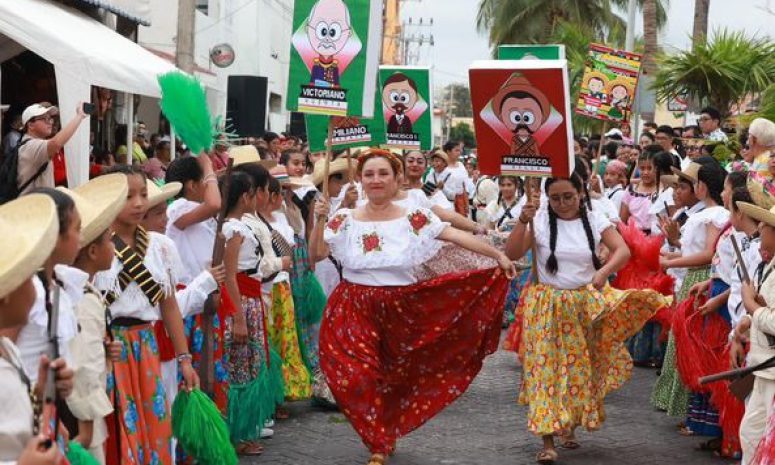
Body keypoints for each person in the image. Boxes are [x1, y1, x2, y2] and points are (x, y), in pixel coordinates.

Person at [311, 149, 514, 465]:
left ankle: (384, 433)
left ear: (396, 179)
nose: (376, 180)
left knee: (395, 378)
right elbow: (317, 253)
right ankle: (377, 441)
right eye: (369, 174)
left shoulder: (413, 215)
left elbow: (453, 234)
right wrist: (320, 217)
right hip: (352, 304)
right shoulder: (344, 216)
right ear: (360, 180)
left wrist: (497, 256)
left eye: (383, 174)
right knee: (357, 376)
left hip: (401, 306)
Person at [504, 172, 668, 464]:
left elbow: (623, 250)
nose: (562, 203)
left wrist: (603, 273)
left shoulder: (594, 220)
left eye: (568, 196)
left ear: (580, 193)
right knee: (544, 372)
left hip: (583, 307)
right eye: (555, 198)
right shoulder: (539, 219)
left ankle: (570, 424)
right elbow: (512, 252)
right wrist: (522, 221)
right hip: (546, 306)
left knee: (580, 370)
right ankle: (547, 438)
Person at [95, 165, 198, 465]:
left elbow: (169, 306)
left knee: (153, 422)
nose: (139, 203)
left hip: (146, 345)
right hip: (108, 348)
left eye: (142, 194)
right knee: (114, 423)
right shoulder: (94, 248)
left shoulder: (161, 247)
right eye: (128, 197)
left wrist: (184, 358)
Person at [0, 193, 75, 465]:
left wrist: (40, 393)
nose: (35, 282)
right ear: (6, 293)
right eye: (27, 277)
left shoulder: (7, 351)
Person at [58, 174, 128, 465]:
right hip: (78, 415)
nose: (115, 247)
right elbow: (83, 366)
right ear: (93, 250)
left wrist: (104, 350)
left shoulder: (80, 290)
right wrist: (87, 422)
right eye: (110, 241)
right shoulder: (83, 299)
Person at [653, 158, 728, 422]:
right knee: (680, 341)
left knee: (689, 343)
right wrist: (670, 252)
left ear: (702, 186)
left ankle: (689, 410)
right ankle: (679, 406)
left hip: (699, 278)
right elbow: (692, 250)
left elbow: (708, 254)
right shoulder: (703, 214)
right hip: (691, 278)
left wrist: (669, 260)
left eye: (694, 183)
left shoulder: (715, 214)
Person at [219, 171, 282, 455]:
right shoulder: (235, 229)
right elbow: (230, 275)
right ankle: (238, 434)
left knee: (249, 365)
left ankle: (244, 430)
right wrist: (239, 318)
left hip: (250, 299)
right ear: (244, 196)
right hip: (242, 301)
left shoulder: (238, 227)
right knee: (240, 367)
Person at [735, 200, 775, 465]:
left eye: (765, 225)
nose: (759, 228)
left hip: (772, 373)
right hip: (764, 369)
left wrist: (751, 306)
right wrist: (750, 320)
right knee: (750, 436)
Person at [16, 102, 88, 195]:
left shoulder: (30, 143)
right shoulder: (31, 146)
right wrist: (79, 116)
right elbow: (56, 143)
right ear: (30, 125)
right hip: (34, 207)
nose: (50, 122)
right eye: (44, 119)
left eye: (50, 118)